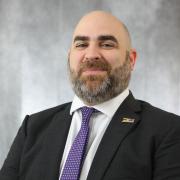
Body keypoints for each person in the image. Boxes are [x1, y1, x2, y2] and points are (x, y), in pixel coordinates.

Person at [0, 10, 180, 180]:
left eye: (107, 44)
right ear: (70, 57)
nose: (91, 54)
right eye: (81, 44)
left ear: (131, 60)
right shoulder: (32, 128)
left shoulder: (168, 130)